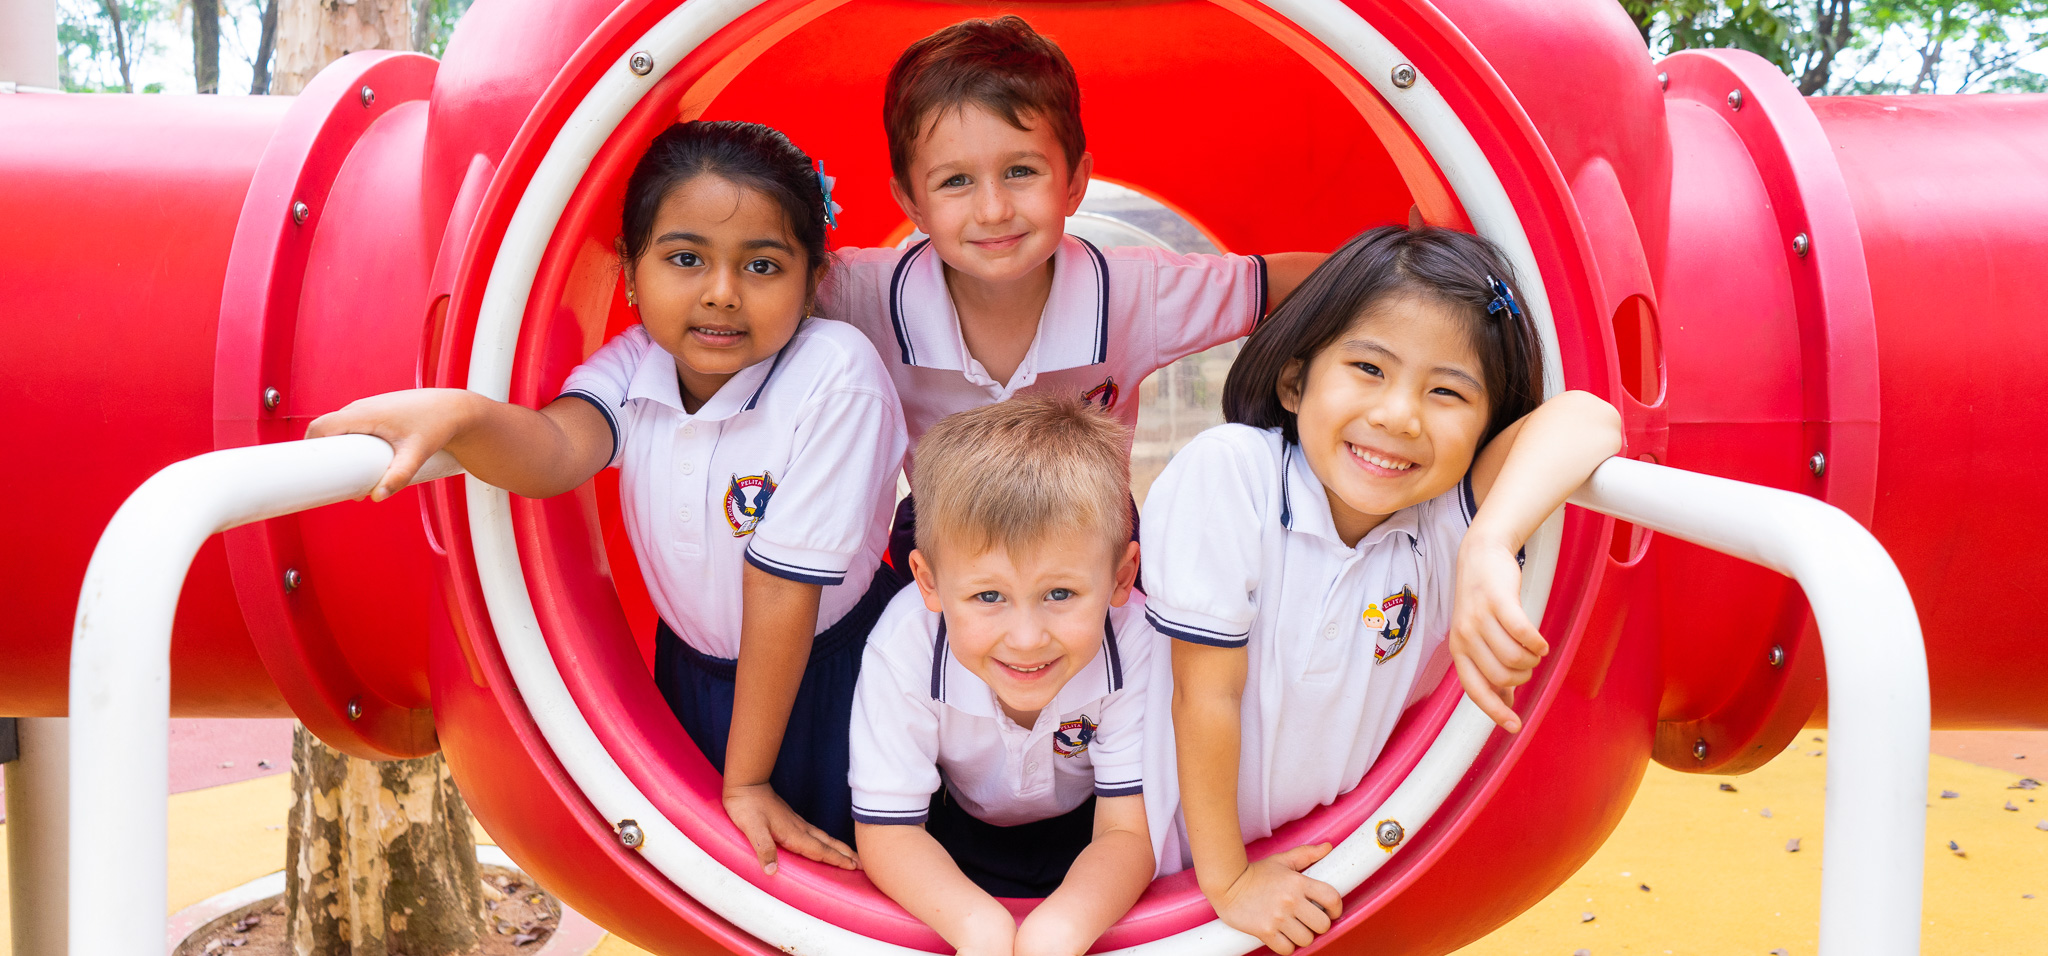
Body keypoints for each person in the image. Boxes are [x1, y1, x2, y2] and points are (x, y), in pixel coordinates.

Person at [306, 120, 906, 877]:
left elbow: (783, 588)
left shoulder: (834, 374)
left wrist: (747, 775)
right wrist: (463, 416)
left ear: (812, 280)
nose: (721, 293)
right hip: (693, 672)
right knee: (716, 891)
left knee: (837, 882)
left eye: (762, 265)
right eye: (685, 259)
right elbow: (557, 450)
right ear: (629, 272)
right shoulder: (637, 363)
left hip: (840, 675)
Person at [1137, 226, 1624, 954]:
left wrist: (1492, 543)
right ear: (1296, 381)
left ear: (1488, 426)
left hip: (1312, 857)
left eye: (1447, 392)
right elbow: (1203, 696)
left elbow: (1593, 418)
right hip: (1170, 858)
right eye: (1368, 367)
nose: (1400, 415)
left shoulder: (1437, 531)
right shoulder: (1234, 473)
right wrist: (1229, 881)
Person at [815, 15, 1327, 565]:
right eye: (955, 181)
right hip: (944, 532)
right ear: (911, 202)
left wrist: (1418, 263)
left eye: (1020, 171)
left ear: (1075, 183)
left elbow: (1277, 282)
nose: (993, 210)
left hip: (1091, 528)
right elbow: (755, 282)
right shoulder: (864, 292)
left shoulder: (1132, 292)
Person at [848, 396, 1157, 956]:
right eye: (988, 595)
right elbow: (889, 830)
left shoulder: (1135, 641)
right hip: (953, 833)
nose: (1026, 638)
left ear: (1120, 577)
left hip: (1091, 830)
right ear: (929, 582)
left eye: (1059, 594)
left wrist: (1056, 935)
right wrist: (978, 930)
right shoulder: (905, 646)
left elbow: (1128, 834)